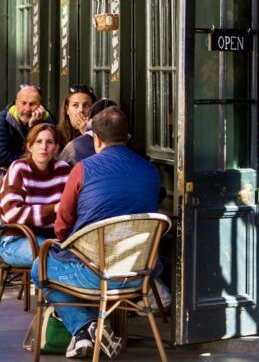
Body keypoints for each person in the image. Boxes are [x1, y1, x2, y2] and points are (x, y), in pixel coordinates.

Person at [31, 107, 163, 360]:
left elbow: (61, 227)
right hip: (138, 274)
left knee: (40, 268)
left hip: (94, 274)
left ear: (97, 139)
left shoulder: (82, 169)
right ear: (127, 136)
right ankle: (89, 329)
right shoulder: (150, 171)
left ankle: (87, 326)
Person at [0, 124, 70, 269]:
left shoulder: (63, 170)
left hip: (52, 241)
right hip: (16, 239)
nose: (43, 147)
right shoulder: (19, 168)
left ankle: (46, 291)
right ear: (30, 146)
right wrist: (54, 209)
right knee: (56, 260)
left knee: (71, 258)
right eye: (38, 141)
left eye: (49, 142)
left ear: (56, 147)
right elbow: (13, 214)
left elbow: (70, 210)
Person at [0, 85, 55, 169]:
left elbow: (52, 153)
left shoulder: (48, 119)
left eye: (32, 104)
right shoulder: (4, 119)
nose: (27, 109)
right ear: (16, 103)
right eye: (23, 103)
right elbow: (2, 156)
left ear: (40, 106)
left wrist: (34, 126)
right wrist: (33, 159)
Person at [59, 98, 117, 166]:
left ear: (88, 119)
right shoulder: (130, 144)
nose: (80, 111)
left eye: (86, 105)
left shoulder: (73, 148)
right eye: (75, 105)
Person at [57, 86, 95, 153]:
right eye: (75, 105)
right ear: (67, 110)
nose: (81, 110)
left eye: (86, 105)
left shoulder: (99, 134)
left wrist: (87, 134)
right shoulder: (55, 134)